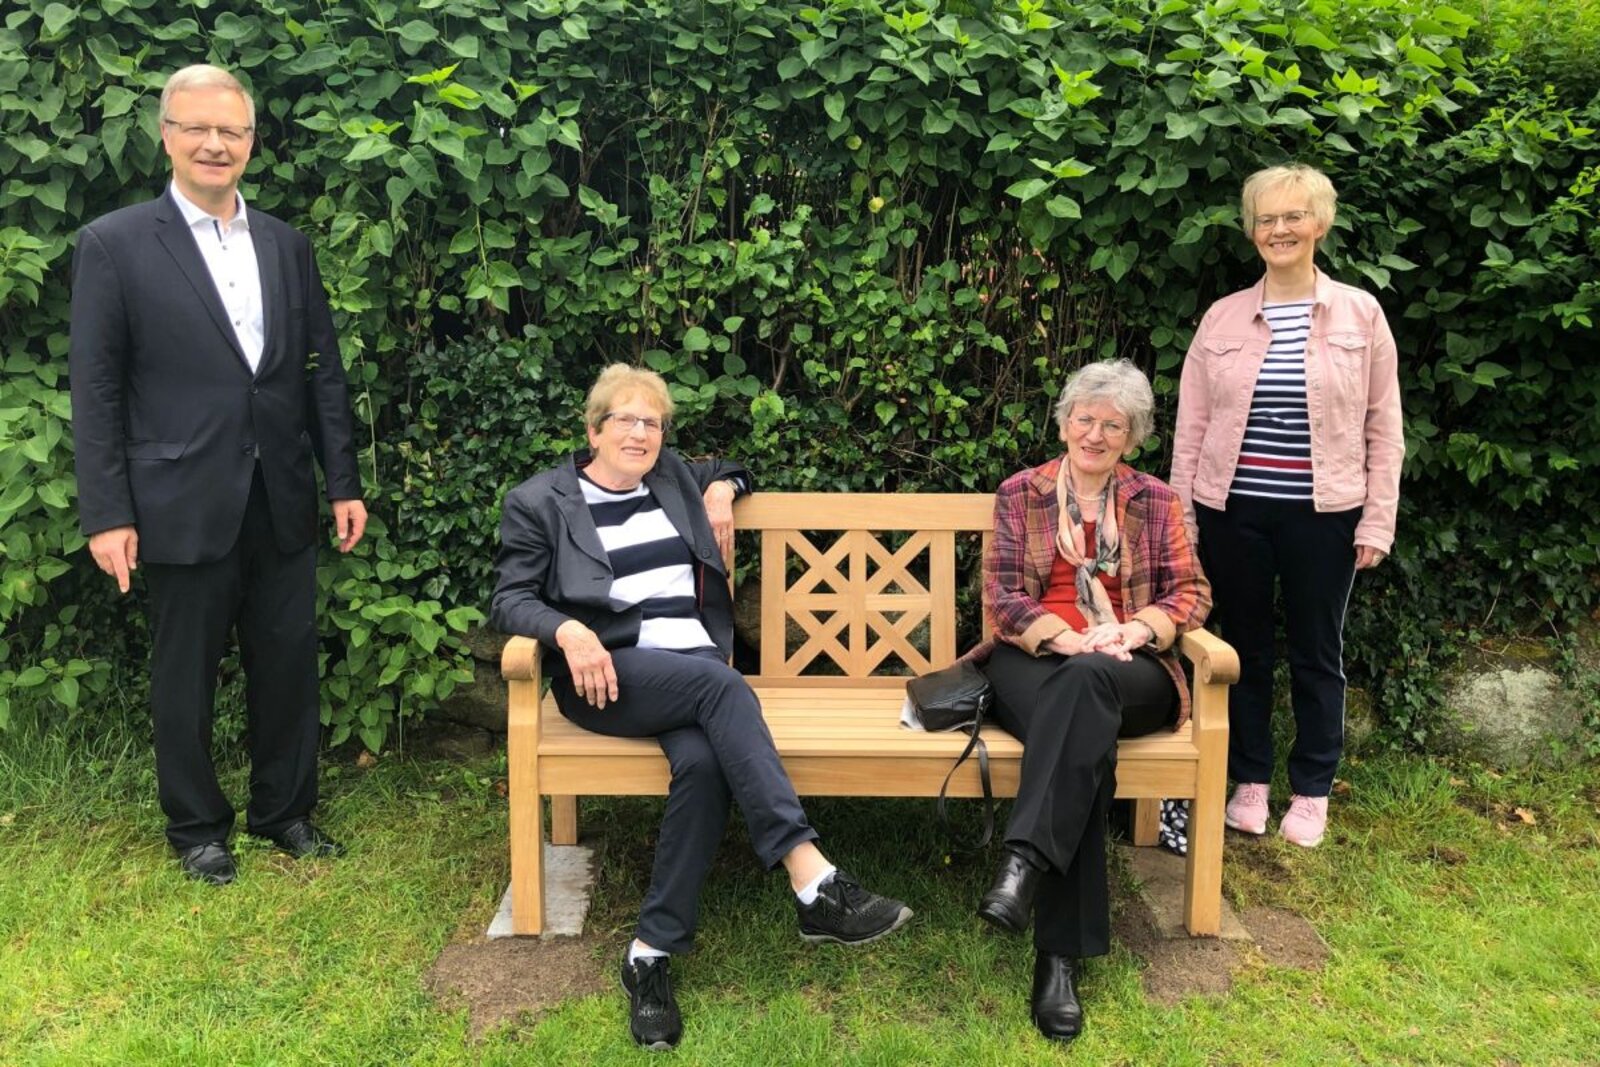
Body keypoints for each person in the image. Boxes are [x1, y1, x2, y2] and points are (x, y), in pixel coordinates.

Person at [490, 364, 913, 1052]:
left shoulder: (672, 477)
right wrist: (567, 630)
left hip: (692, 666)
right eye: (625, 420)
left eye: (652, 422)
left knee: (707, 764)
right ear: (594, 430)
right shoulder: (540, 500)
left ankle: (650, 953)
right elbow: (509, 598)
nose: (640, 433)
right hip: (611, 672)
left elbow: (735, 466)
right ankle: (812, 879)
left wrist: (720, 489)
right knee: (726, 688)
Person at [69, 65, 367, 886]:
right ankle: (197, 826)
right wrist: (107, 512)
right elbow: (95, 390)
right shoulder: (114, 244)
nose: (214, 144)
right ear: (165, 136)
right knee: (185, 675)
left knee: (287, 661)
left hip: (281, 493)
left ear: (251, 141)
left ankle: (285, 811)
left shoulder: (286, 244)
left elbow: (320, 372)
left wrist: (342, 481)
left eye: (230, 130)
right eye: (197, 128)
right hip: (177, 499)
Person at [970, 360, 1211, 1043]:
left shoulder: (1156, 500)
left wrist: (1137, 629)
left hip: (1131, 667)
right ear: (1064, 423)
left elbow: (1191, 593)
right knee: (1083, 735)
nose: (1095, 434)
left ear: (1132, 437)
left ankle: (1023, 864)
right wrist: (1064, 638)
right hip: (1034, 657)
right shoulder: (1020, 493)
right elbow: (1002, 596)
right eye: (1085, 419)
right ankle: (1058, 957)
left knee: (1084, 693)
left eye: (1113, 424)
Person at [1169, 163, 1404, 848]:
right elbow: (1192, 425)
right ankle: (1249, 781)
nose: (1280, 229)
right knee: (1241, 648)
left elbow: (1384, 425)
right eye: (1266, 219)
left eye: (1293, 216)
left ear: (1319, 224)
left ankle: (1311, 789)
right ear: (1252, 231)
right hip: (1232, 510)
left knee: (1316, 651)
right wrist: (1184, 517)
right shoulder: (1222, 317)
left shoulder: (1360, 313)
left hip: (1325, 514)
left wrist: (1378, 518)